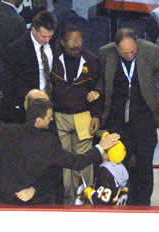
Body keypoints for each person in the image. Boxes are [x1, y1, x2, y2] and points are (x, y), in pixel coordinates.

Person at [98, 28, 159, 205]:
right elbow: (100, 81)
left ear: (137, 43)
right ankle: (118, 203)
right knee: (117, 164)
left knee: (144, 165)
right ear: (116, 48)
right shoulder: (105, 54)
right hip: (117, 119)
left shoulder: (150, 50)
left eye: (133, 51)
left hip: (145, 117)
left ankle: (143, 206)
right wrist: (95, 93)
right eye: (125, 53)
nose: (129, 55)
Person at [0, 98, 120, 205]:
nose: (51, 119)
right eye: (49, 116)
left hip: (0, 200)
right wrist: (100, 147)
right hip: (32, 205)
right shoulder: (48, 142)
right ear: (38, 121)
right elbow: (77, 162)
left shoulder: (7, 131)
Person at [50, 25, 102, 204]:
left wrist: (96, 116)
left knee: (85, 161)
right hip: (59, 116)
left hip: (83, 116)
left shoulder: (91, 60)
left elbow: (97, 91)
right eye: (71, 40)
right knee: (64, 162)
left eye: (78, 40)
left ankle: (86, 202)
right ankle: (67, 202)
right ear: (63, 42)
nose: (75, 44)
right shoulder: (52, 58)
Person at [4, 10, 58, 117]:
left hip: (52, 103)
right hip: (30, 105)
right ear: (33, 30)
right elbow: (13, 81)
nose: (47, 40)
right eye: (44, 36)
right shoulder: (17, 49)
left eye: (50, 36)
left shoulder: (54, 43)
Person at [75, 131, 129, 206]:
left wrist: (88, 192)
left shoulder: (105, 172)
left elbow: (101, 202)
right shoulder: (122, 170)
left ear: (106, 155)